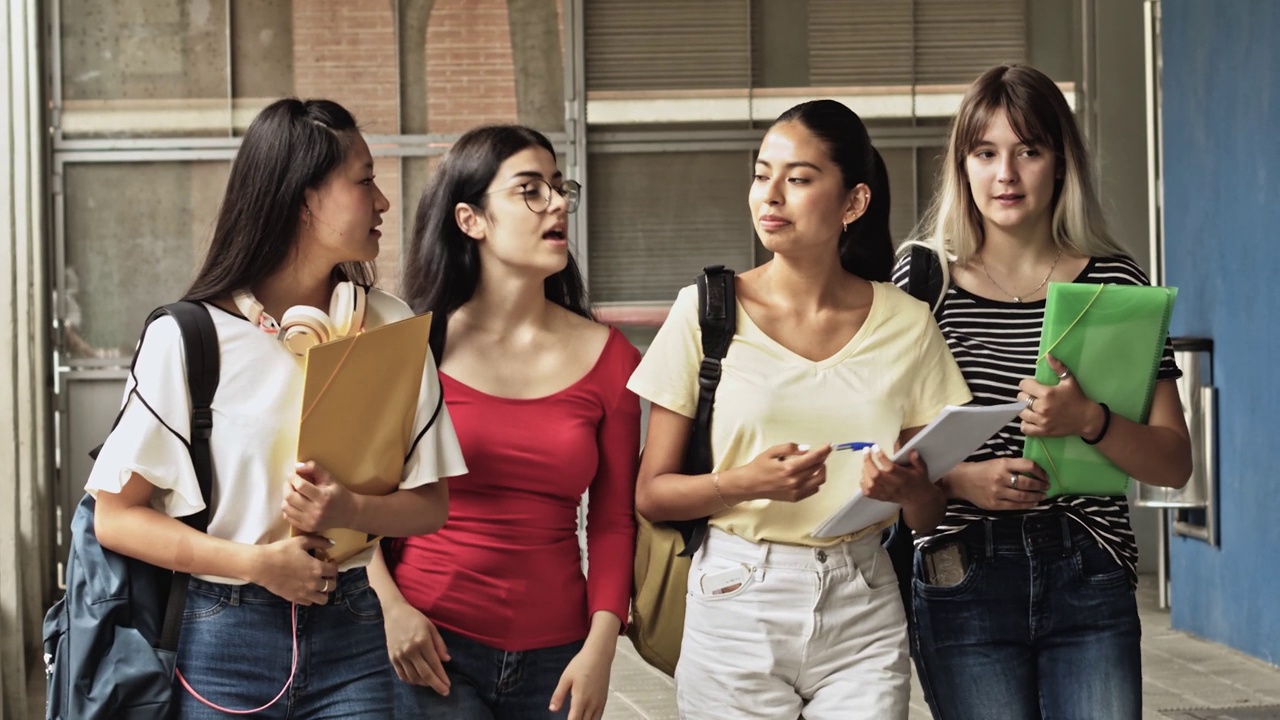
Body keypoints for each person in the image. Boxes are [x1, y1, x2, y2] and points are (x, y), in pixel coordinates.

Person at [89, 97, 467, 718]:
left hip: (354, 629)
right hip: (224, 637)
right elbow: (117, 518)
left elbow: (431, 505)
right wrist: (258, 565)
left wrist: (350, 508)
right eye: (365, 179)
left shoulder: (391, 325)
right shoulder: (187, 337)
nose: (383, 202)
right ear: (302, 197)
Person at [627, 99, 972, 719]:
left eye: (799, 178)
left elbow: (929, 515)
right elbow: (651, 494)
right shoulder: (704, 310)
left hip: (863, 599)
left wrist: (907, 487)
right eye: (762, 175)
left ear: (854, 203)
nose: (771, 195)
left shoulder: (907, 323)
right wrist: (744, 484)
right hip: (735, 597)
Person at [896, 64, 1193, 720]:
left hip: (1089, 562)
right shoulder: (921, 279)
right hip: (960, 568)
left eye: (1028, 150)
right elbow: (883, 447)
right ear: (962, 166)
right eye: (986, 153)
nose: (1006, 173)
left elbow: (1174, 463)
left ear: (1060, 164)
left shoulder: (1117, 283)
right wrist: (963, 480)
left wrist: (1091, 420)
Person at [371, 124, 641, 720]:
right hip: (430, 644)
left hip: (557, 656)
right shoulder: (414, 347)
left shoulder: (613, 358)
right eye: (530, 190)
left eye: (558, 186)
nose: (558, 203)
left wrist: (601, 647)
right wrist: (391, 608)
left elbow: (615, 520)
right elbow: (362, 499)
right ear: (471, 219)